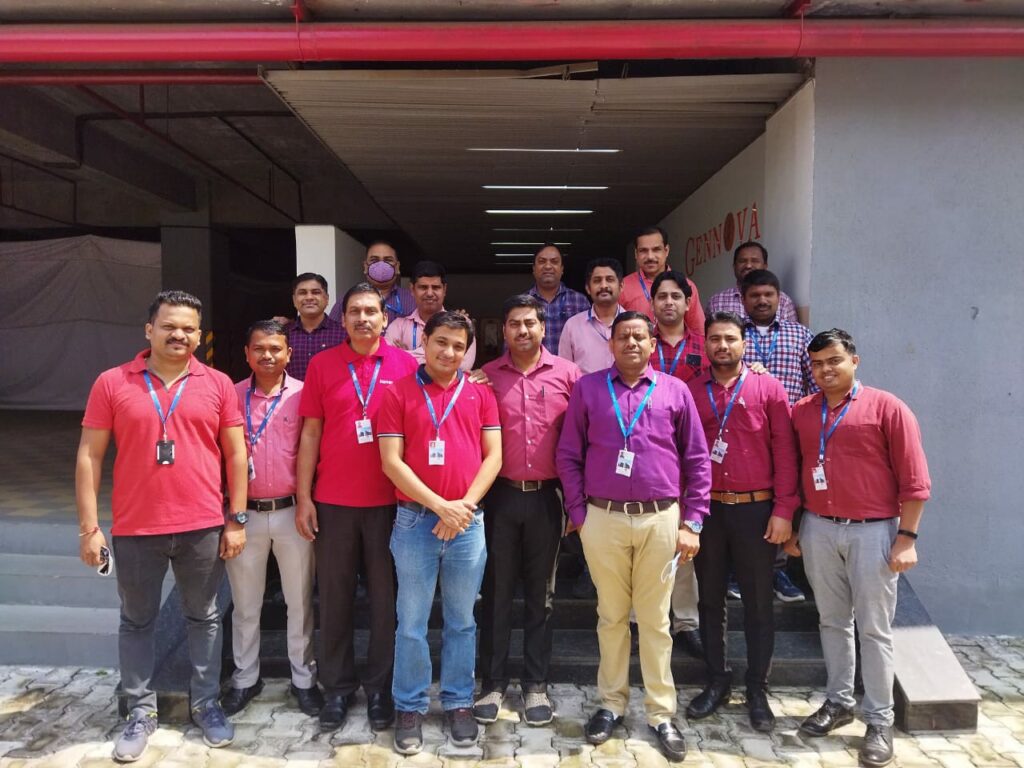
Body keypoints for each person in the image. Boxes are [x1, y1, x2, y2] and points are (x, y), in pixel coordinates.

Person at [75, 290, 246, 762]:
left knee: (205, 617)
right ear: (149, 330)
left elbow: (236, 453)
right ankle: (140, 711)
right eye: (169, 326)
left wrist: (236, 518)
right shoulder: (113, 382)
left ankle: (206, 703)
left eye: (189, 328)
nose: (179, 335)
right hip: (136, 527)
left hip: (203, 526)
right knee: (136, 621)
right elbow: (89, 456)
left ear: (200, 335)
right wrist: (89, 528)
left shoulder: (217, 383)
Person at [556, 311, 711, 763]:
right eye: (623, 336)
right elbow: (569, 454)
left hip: (660, 519)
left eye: (639, 336)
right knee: (611, 617)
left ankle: (661, 713)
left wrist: (693, 522)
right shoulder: (588, 389)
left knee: (657, 621)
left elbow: (697, 459)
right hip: (602, 519)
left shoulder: (675, 391)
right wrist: (579, 514)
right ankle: (611, 703)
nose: (631, 343)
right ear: (611, 344)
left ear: (651, 343)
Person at [786, 329, 930, 768]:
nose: (825, 370)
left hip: (874, 531)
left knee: (874, 629)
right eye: (817, 364)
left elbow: (915, 480)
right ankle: (838, 702)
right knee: (832, 621)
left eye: (834, 360)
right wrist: (796, 527)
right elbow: (795, 470)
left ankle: (880, 720)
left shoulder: (887, 408)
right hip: (818, 528)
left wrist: (907, 538)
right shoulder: (802, 412)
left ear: (854, 361)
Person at [378, 311, 502, 755]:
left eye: (458, 346)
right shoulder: (397, 392)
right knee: (411, 622)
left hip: (467, 525)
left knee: (462, 621)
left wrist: (462, 507)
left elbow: (494, 457)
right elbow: (391, 461)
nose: (449, 352)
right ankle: (409, 705)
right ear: (425, 342)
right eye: (441, 342)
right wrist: (440, 506)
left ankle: (457, 701)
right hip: (416, 522)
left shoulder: (480, 393)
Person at [296, 282, 418, 732]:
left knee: (387, 602)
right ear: (343, 319)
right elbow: (310, 433)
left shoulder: (407, 365)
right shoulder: (323, 365)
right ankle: (338, 687)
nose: (363, 319)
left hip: (391, 504)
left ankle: (380, 687)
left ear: (385, 319)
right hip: (333, 502)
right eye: (354, 312)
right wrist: (304, 496)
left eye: (371, 311)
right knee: (334, 598)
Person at [685, 311, 799, 732]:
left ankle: (757, 687)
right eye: (715, 339)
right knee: (710, 600)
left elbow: (785, 451)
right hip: (708, 510)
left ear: (744, 344)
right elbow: (682, 453)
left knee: (758, 602)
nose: (722, 346)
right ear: (705, 344)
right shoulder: (691, 390)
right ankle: (717, 679)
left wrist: (784, 510)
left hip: (757, 511)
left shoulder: (769, 388)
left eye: (730, 339)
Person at [475, 295, 582, 727]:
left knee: (542, 594)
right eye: (514, 323)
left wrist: (576, 501)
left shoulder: (569, 375)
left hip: (548, 498)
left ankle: (536, 683)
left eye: (530, 323)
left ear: (543, 328)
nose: (522, 330)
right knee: (497, 592)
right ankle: (493, 682)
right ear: (504, 330)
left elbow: (581, 440)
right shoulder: (485, 377)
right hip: (499, 497)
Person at [221, 320, 320, 719]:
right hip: (244, 515)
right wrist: (230, 514)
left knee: (300, 602)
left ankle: (304, 680)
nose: (268, 355)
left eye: (276, 348)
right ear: (247, 354)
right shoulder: (230, 395)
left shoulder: (304, 394)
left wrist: (307, 502)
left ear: (289, 354)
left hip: (292, 512)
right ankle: (246, 679)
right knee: (246, 605)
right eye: (259, 348)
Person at [737, 268, 815, 604]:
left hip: (789, 435)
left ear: (779, 298)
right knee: (745, 504)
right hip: (744, 437)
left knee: (786, 499)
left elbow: (814, 385)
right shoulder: (732, 334)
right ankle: (738, 569)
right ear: (743, 300)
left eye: (768, 294)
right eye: (754, 295)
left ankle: (778, 568)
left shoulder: (801, 335)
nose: (762, 300)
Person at [647, 269, 708, 659]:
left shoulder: (706, 345)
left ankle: (686, 622)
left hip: (691, 451)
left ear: (688, 303)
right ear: (652, 304)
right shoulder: (640, 342)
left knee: (684, 542)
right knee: (644, 542)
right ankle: (641, 620)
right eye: (661, 296)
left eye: (675, 296)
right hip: (648, 453)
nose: (668, 302)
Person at [386, 260, 477, 370]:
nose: (429, 293)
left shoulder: (462, 324)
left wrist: (405, 355)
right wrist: (440, 360)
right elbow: (388, 362)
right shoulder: (398, 325)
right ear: (412, 290)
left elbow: (463, 366)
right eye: (423, 287)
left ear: (444, 290)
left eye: (435, 287)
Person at [619, 226, 703, 334]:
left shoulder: (686, 285)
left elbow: (699, 332)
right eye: (643, 251)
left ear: (666, 251)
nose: (650, 256)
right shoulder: (623, 287)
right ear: (636, 254)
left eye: (656, 249)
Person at [557, 257, 624, 375]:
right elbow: (563, 372)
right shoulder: (572, 326)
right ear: (588, 288)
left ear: (621, 286)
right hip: (584, 388)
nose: (604, 285)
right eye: (597, 280)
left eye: (610, 279)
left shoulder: (634, 325)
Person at [328, 239, 415, 326]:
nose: (381, 265)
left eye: (388, 260)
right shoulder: (346, 301)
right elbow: (331, 331)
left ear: (397, 267)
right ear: (365, 266)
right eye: (374, 260)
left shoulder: (413, 300)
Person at [705, 241, 798, 322]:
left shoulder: (783, 301)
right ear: (734, 266)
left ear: (765, 266)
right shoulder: (716, 301)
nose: (748, 265)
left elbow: (792, 334)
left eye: (755, 261)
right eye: (742, 261)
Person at [527, 243, 591, 354]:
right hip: (532, 366)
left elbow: (590, 341)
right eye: (542, 261)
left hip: (570, 365)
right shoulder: (522, 304)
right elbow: (511, 345)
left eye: (554, 261)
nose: (548, 266)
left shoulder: (579, 301)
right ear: (534, 269)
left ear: (562, 269)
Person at [286, 273, 346, 380]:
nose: (309, 297)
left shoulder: (344, 334)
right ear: (294, 300)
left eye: (316, 292)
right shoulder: (283, 335)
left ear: (327, 298)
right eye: (302, 293)